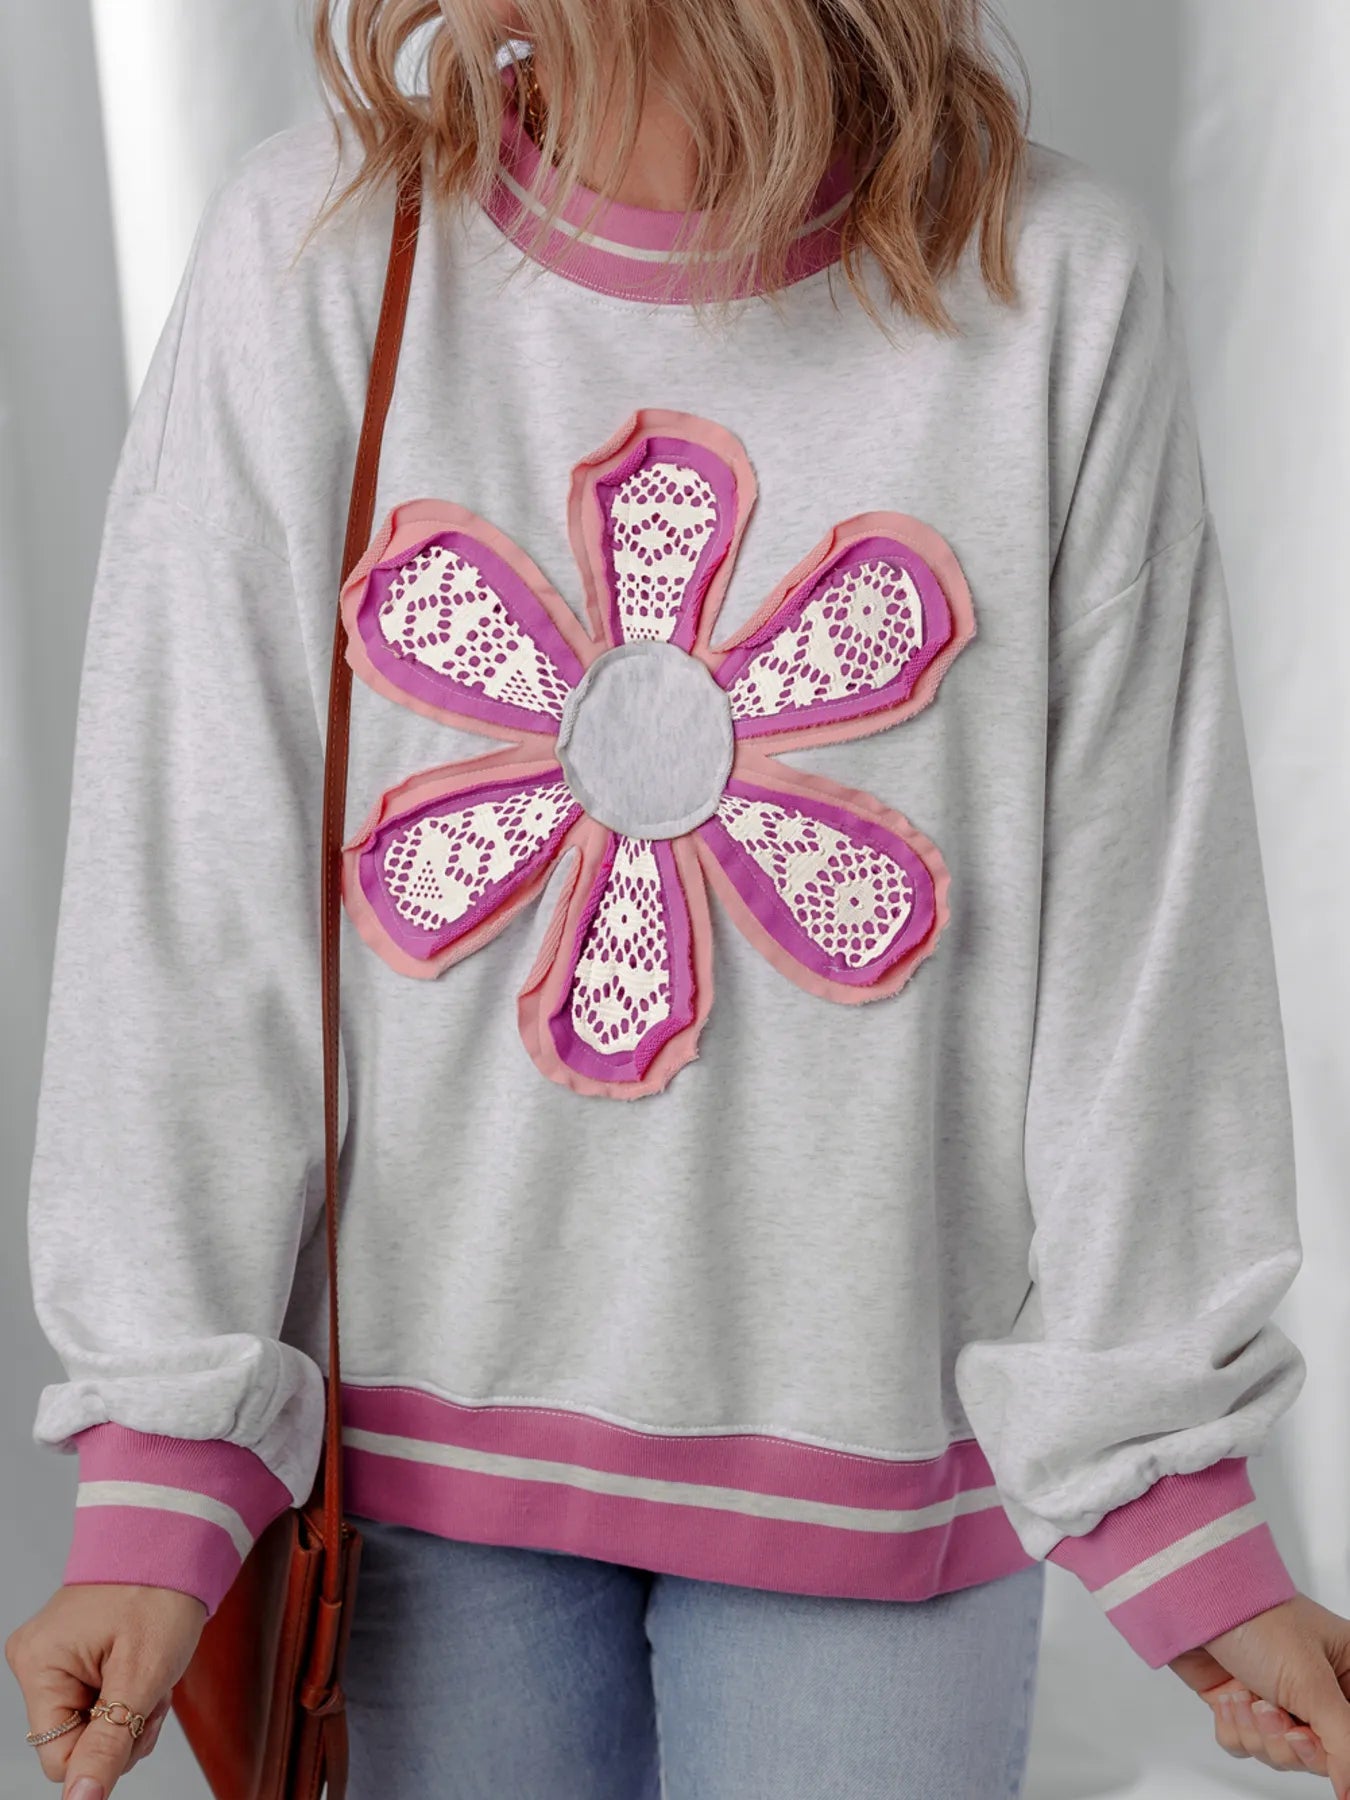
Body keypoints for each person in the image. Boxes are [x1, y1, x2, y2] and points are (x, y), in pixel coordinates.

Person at [7, 2, 1350, 1796]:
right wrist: (163, 1464)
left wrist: (1170, 1494)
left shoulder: (1049, 288)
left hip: (880, 1483)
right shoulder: (321, 248)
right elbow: (189, 888)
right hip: (417, 1486)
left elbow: (1141, 944)